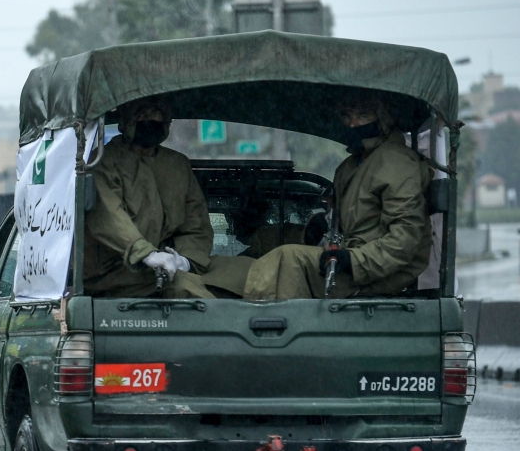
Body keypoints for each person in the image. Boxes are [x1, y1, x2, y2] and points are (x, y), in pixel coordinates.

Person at [244, 94, 431, 300]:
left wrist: (353, 260)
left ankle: (269, 326)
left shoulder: (396, 162)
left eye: (363, 116)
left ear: (383, 119)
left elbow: (406, 239)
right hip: (349, 258)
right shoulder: (351, 166)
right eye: (346, 116)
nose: (352, 124)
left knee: (288, 259)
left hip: (377, 273)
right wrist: (317, 230)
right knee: (266, 239)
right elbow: (344, 223)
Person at [83, 97, 252, 299]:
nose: (150, 121)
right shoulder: (103, 162)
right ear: (126, 121)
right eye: (143, 116)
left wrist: (185, 260)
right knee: (184, 286)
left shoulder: (177, 165)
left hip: (170, 266)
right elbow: (110, 216)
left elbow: (195, 224)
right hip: (114, 273)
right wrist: (147, 254)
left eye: (156, 115)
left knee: (247, 271)